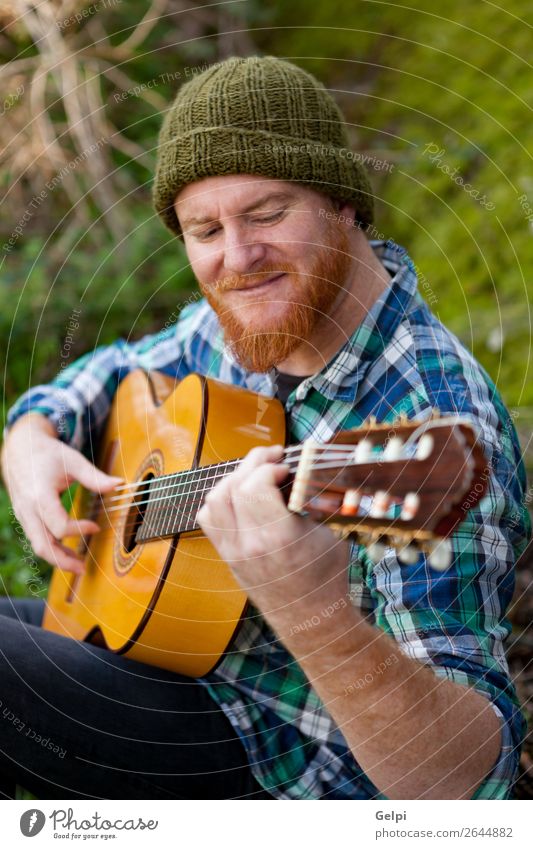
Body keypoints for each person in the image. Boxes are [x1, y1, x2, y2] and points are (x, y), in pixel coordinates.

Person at [1, 55, 529, 801]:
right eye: (203, 228)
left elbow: (461, 787)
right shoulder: (232, 322)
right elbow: (116, 367)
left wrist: (311, 609)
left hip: (289, 765)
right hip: (169, 653)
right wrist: (30, 436)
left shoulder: (429, 428)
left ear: (343, 204)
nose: (237, 259)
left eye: (267, 213)